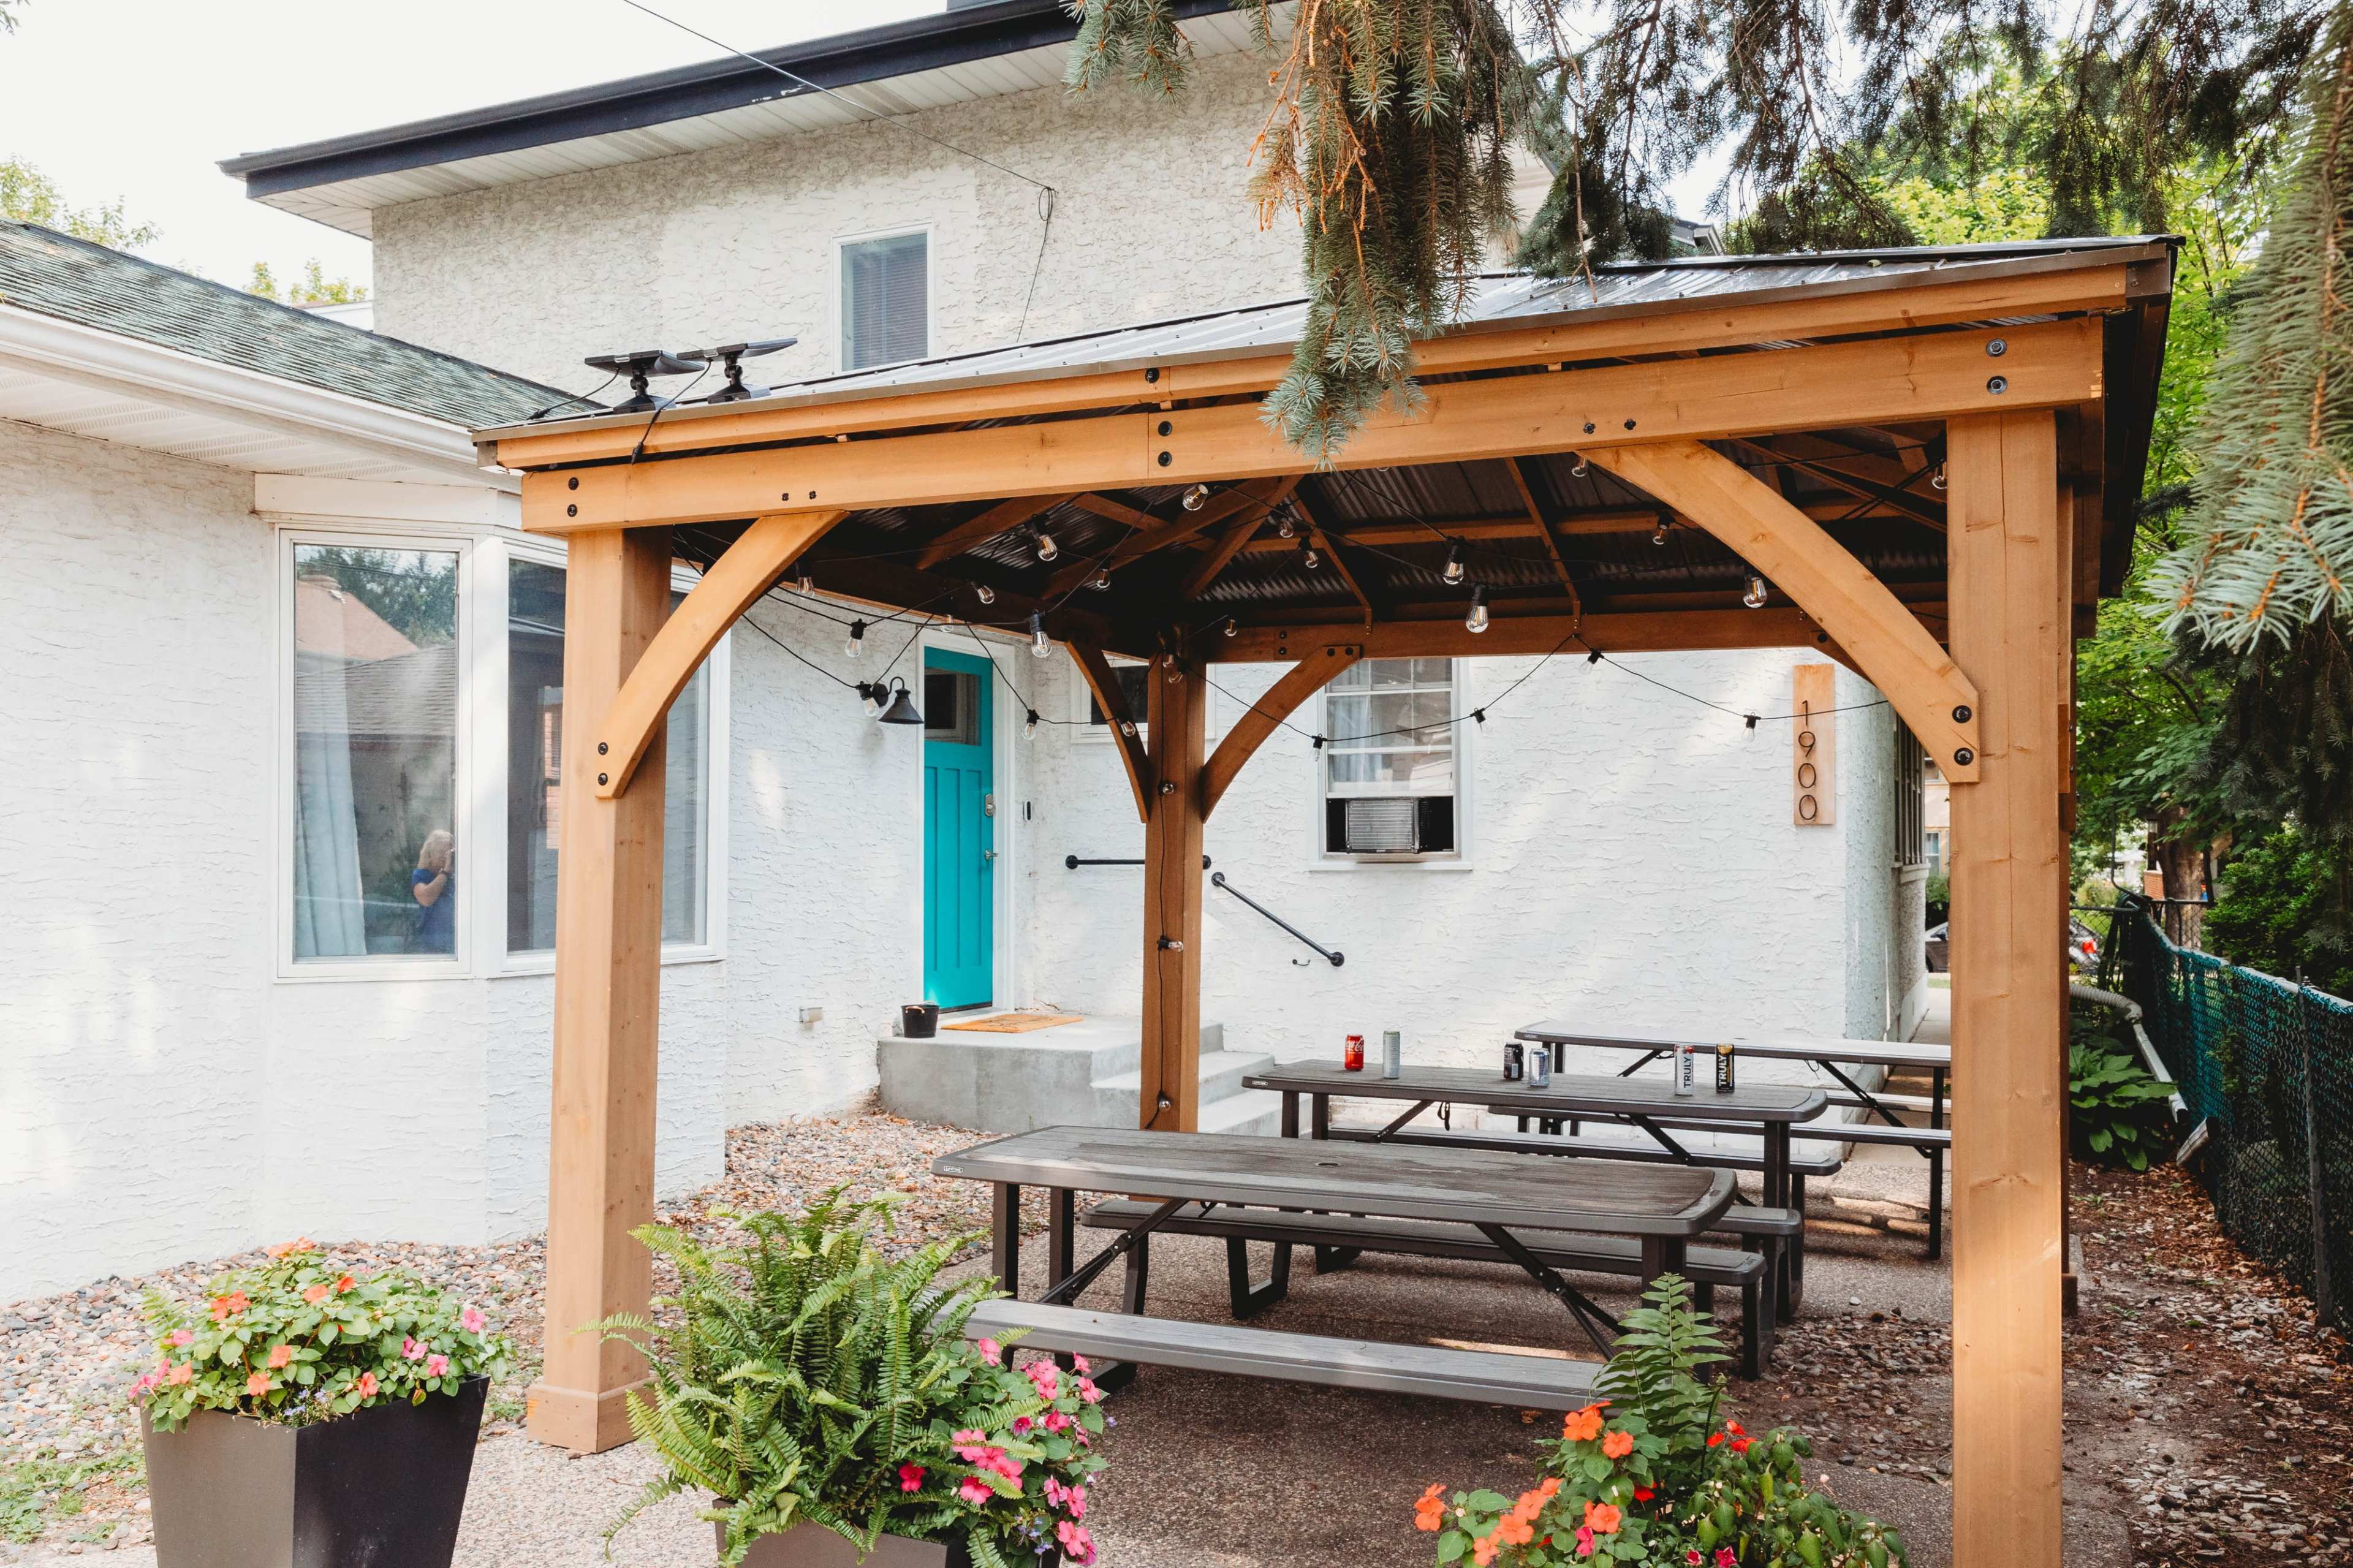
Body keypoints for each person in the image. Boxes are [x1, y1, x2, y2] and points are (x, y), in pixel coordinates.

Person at [411, 830, 455, 954]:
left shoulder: (457, 875)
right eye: (441, 853)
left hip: (456, 940)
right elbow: (426, 899)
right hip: (432, 942)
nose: (445, 857)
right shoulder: (421, 875)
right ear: (430, 854)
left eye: (449, 853)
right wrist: (445, 873)